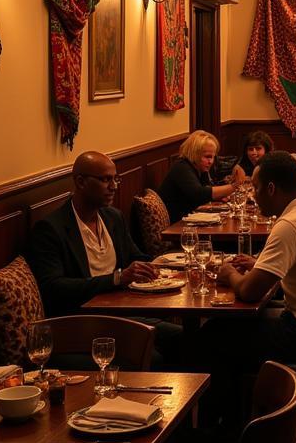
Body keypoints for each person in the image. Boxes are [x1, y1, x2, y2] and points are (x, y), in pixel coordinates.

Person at [204, 152, 296, 423]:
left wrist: (229, 274)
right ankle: (234, 418)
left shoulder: (290, 224)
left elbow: (250, 292)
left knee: (215, 336)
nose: (254, 194)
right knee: (230, 327)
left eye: (256, 188)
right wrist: (257, 265)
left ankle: (221, 430)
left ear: (271, 188)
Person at [26, 151, 183, 365]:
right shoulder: (52, 229)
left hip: (120, 312)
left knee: (182, 337)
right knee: (153, 355)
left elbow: (136, 257)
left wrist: (167, 265)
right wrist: (116, 279)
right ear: (80, 182)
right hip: (81, 323)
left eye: (115, 179)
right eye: (105, 179)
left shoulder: (112, 217)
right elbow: (53, 288)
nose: (114, 186)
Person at [158, 129, 245, 223]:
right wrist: (234, 186)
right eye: (207, 157)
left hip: (187, 219)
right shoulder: (182, 167)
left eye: (212, 157)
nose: (211, 162)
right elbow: (199, 194)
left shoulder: (199, 168)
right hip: (175, 224)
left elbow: (207, 189)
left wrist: (220, 195)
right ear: (194, 153)